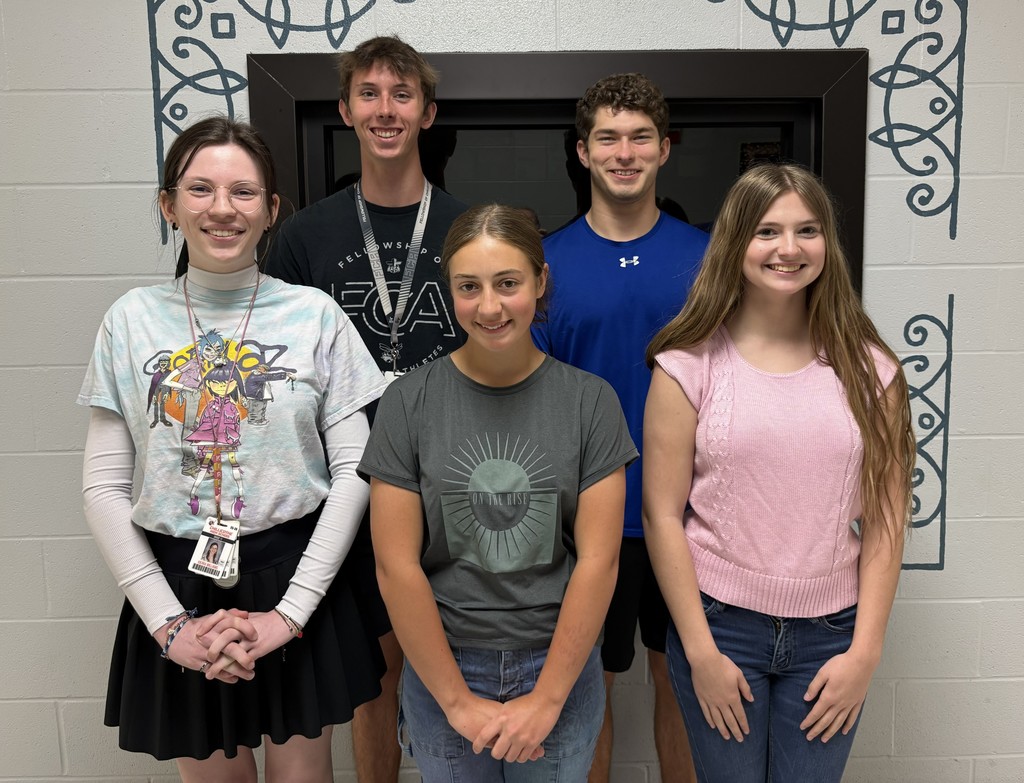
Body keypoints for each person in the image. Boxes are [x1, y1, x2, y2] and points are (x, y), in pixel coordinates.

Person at [78, 116, 389, 782]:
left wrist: (289, 614)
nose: (223, 208)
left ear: (272, 209)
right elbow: (104, 487)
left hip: (296, 572)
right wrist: (169, 626)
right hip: (177, 582)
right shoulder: (130, 319)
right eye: (201, 189)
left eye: (244, 192)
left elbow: (354, 472)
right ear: (169, 205)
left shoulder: (315, 315)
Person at [642, 163, 915, 783]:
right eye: (767, 231)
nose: (789, 249)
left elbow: (888, 519)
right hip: (719, 628)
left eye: (807, 230)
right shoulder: (685, 367)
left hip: (832, 638)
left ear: (828, 244)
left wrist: (865, 653)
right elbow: (661, 516)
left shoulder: (873, 372)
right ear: (735, 243)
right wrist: (699, 651)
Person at [358, 205, 638, 780]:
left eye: (507, 283)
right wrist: (457, 703)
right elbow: (395, 565)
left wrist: (548, 700)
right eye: (469, 287)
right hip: (446, 664)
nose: (489, 306)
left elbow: (599, 561)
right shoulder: (408, 403)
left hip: (558, 661)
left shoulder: (591, 403)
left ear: (539, 283)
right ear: (451, 294)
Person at [264, 36, 467, 781]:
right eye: (371, 94)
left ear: (427, 112)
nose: (386, 109)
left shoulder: (469, 225)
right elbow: (281, 368)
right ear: (347, 110)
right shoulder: (303, 235)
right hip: (346, 487)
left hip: (456, 479)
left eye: (402, 94)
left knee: (462, 670)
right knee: (373, 680)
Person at [533, 72, 707, 782]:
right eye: (608, 137)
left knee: (688, 683)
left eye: (640, 137)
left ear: (665, 149)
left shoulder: (710, 257)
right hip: (586, 523)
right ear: (583, 152)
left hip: (693, 519)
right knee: (584, 695)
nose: (624, 152)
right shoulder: (545, 263)